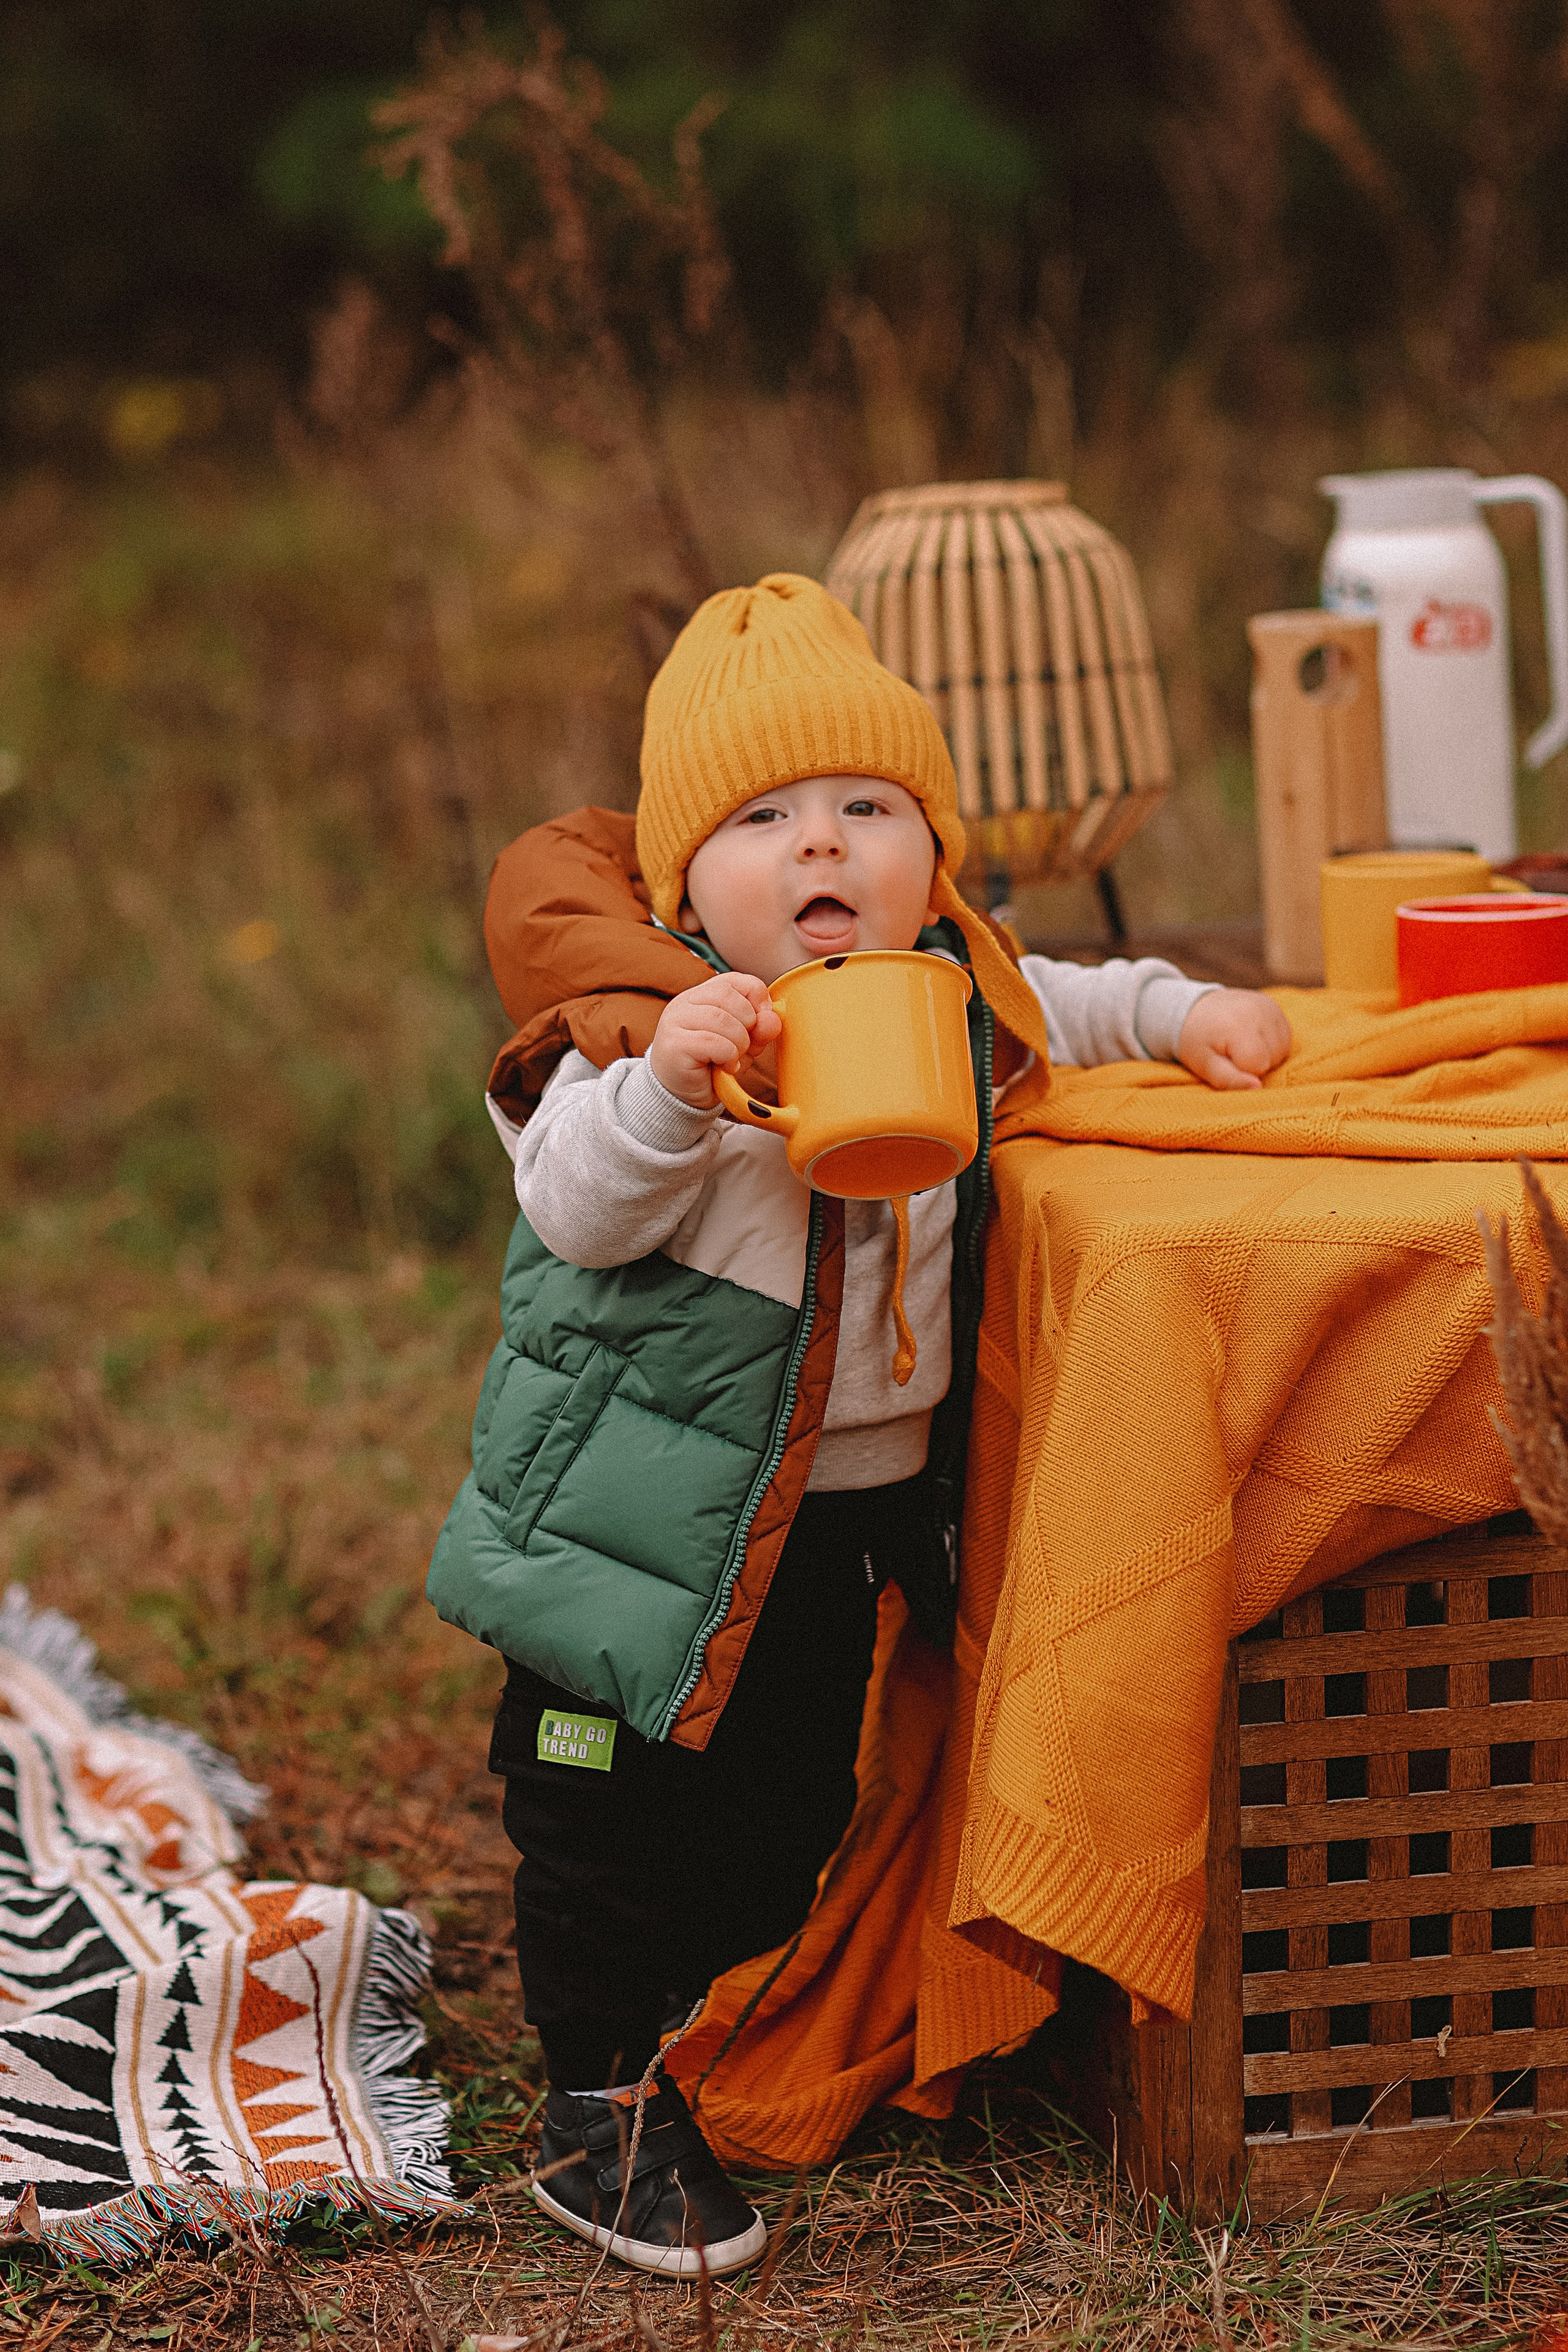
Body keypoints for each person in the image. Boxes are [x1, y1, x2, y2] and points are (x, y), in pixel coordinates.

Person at [428, 574, 1291, 2278]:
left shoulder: (943, 990)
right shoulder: (630, 1034)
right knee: (606, 1813)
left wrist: (1185, 1014)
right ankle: (596, 2108)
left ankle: (736, 2031)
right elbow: (582, 1209)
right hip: (635, 1536)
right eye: (765, 819)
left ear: (931, 860)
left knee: (786, 1800)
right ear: (687, 880)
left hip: (836, 1522)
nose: (821, 847)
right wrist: (681, 1086)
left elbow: (1059, 998)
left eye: (867, 811)